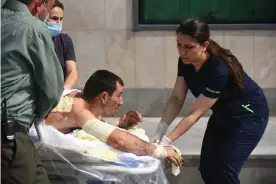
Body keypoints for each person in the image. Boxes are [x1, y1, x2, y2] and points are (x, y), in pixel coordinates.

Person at [152, 19, 269, 184]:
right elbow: (177, 98)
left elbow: (195, 113)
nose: (182, 51)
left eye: (189, 47)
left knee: (225, 171)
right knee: (207, 168)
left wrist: (167, 141)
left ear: (204, 45)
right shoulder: (185, 61)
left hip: (249, 116)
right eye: (179, 44)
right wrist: (160, 130)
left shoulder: (218, 70)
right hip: (223, 113)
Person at [45, 70, 183, 166]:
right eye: (119, 95)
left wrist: (121, 125)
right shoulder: (78, 111)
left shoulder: (80, 98)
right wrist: (161, 151)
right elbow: (119, 141)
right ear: (104, 96)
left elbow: (97, 127)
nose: (121, 101)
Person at [1, 0, 64, 183]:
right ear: (38, 4)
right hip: (9, 138)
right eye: (49, 6)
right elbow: (52, 89)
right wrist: (40, 114)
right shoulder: (33, 28)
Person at [46, 0, 78, 89]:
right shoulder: (34, 38)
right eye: (55, 18)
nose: (59, 22)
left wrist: (63, 91)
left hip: (60, 91)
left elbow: (72, 72)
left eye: (61, 19)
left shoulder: (65, 40)